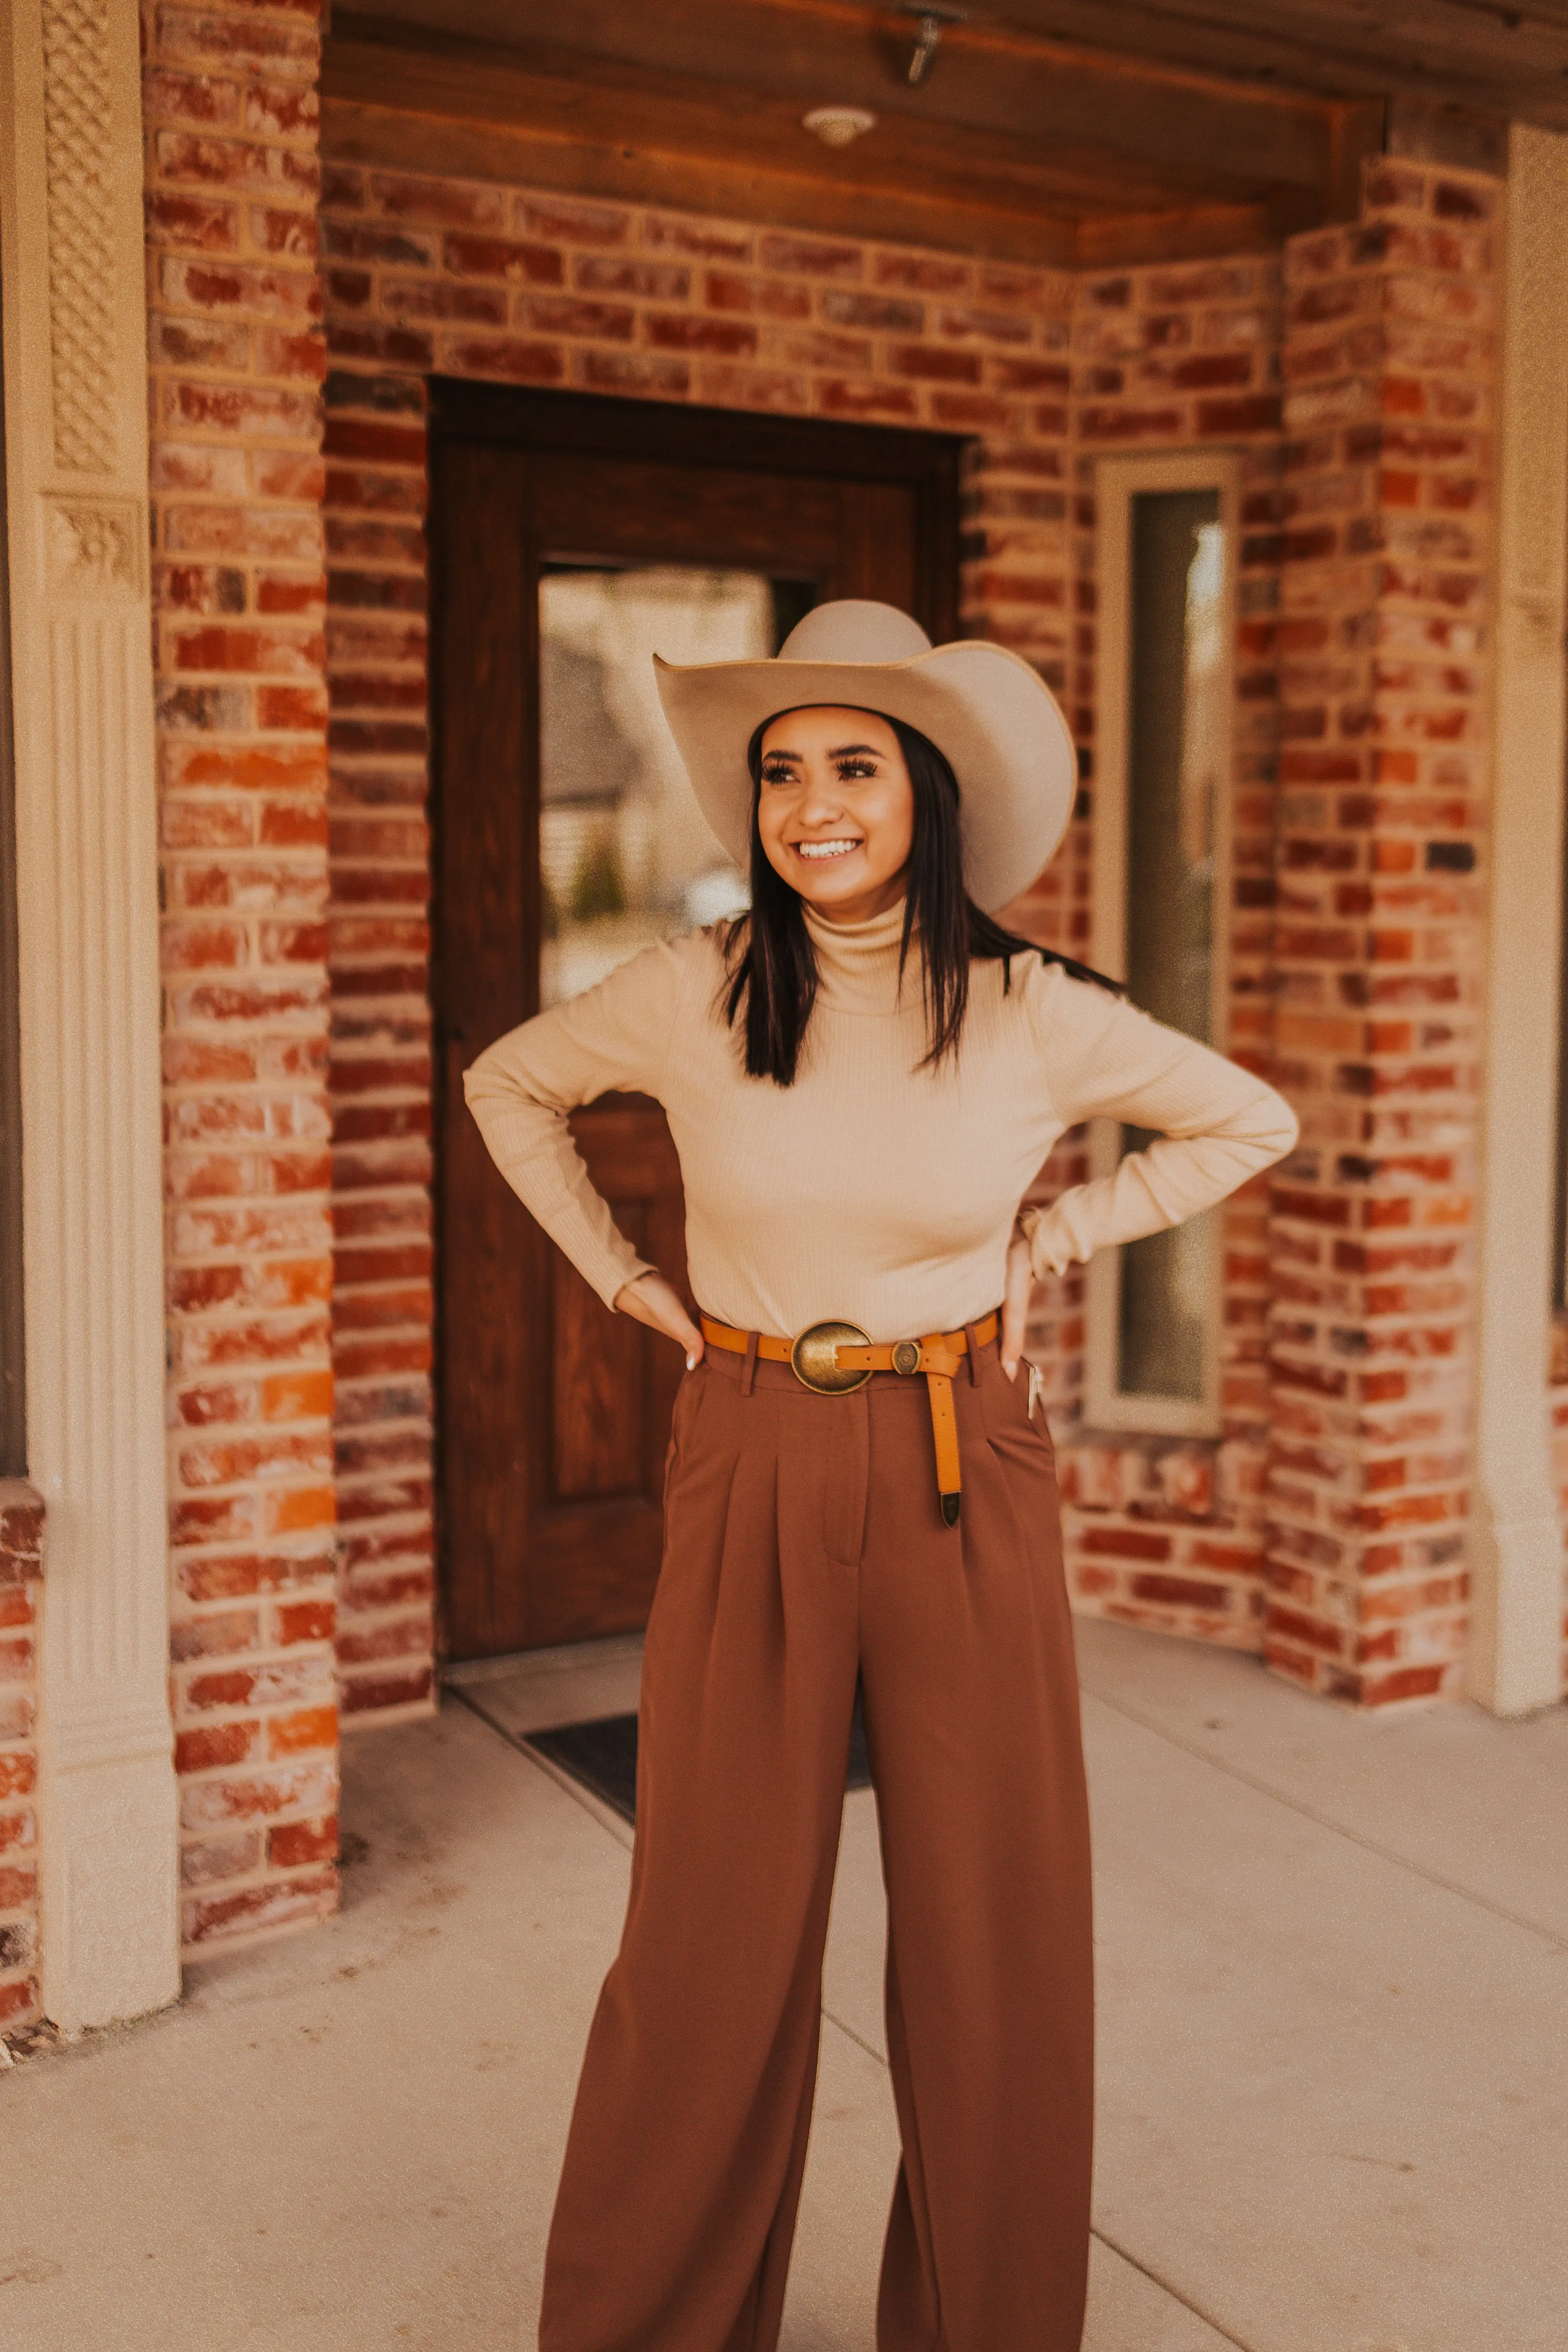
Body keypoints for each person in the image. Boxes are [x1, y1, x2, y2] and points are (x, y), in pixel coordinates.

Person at [464, 599, 1298, 2352]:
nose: (809, 803)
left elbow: (1247, 1119)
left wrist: (1060, 1236)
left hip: (957, 1456)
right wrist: (625, 1279)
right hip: (750, 1441)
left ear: (926, 789)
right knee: (708, 1934)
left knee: (993, 1936)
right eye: (780, 772)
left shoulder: (1031, 1008)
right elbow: (508, 1083)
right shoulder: (696, 986)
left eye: (851, 764)